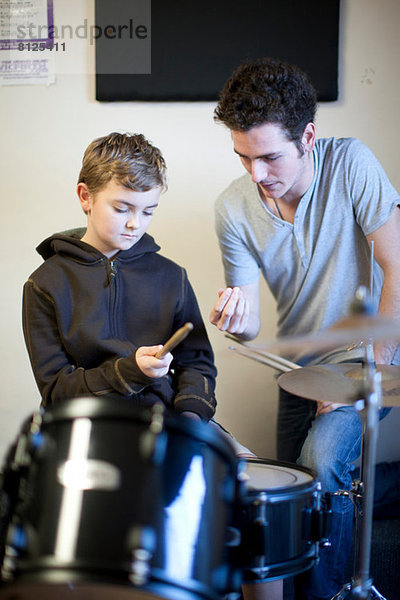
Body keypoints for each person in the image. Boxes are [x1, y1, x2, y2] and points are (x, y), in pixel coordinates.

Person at [209, 58, 400, 600]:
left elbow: (399, 268)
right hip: (299, 369)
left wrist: (367, 376)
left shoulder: (352, 163)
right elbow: (245, 321)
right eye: (243, 157)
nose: (257, 174)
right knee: (291, 493)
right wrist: (238, 318)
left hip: (369, 353)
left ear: (308, 136)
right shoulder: (232, 207)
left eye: (269, 156)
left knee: (318, 466)